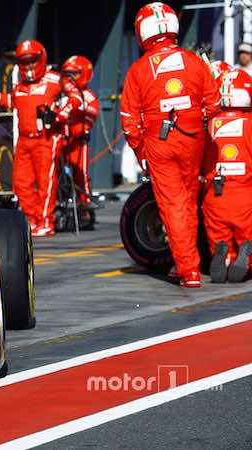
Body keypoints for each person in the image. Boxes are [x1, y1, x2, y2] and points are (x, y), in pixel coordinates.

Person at [120, 2, 220, 287]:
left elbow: (129, 118)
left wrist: (140, 151)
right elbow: (213, 103)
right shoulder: (193, 61)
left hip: (159, 142)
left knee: (173, 204)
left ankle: (189, 270)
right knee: (188, 201)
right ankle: (182, 261)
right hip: (192, 138)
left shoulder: (139, 70)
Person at [0, 39, 66, 236]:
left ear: (41, 59)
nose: (28, 66)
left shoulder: (55, 80)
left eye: (32, 61)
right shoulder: (20, 86)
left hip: (46, 139)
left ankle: (46, 222)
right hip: (25, 141)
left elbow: (77, 98)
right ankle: (32, 220)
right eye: (24, 62)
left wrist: (59, 115)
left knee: (45, 183)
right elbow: (12, 101)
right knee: (21, 183)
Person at [203, 70, 252, 283]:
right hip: (245, 194)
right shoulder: (249, 124)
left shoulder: (208, 125)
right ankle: (245, 255)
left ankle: (222, 255)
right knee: (247, 234)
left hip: (214, 194)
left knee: (218, 233)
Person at [61, 55, 99, 205]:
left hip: (78, 142)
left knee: (80, 174)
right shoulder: (60, 94)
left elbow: (91, 117)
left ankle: (84, 205)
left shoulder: (89, 96)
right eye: (67, 74)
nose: (70, 78)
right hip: (60, 141)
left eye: (74, 74)